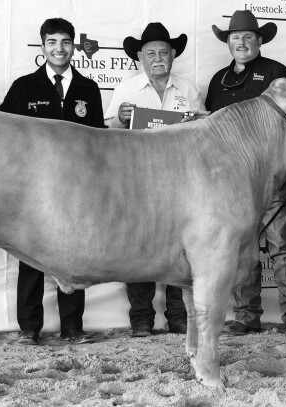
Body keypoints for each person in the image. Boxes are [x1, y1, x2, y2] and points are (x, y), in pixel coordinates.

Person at [0, 18, 105, 345]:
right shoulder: (23, 87)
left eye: (65, 42)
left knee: (73, 260)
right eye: (52, 42)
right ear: (42, 47)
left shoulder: (88, 88)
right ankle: (29, 329)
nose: (59, 49)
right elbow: (4, 131)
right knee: (31, 258)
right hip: (34, 191)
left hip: (77, 191)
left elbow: (99, 139)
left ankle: (73, 328)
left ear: (73, 46)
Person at [205, 9, 286, 337]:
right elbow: (209, 127)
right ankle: (247, 315)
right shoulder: (218, 80)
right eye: (235, 38)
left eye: (248, 37)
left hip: (271, 177)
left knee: (282, 243)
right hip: (232, 182)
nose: (241, 43)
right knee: (240, 247)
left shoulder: (278, 74)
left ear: (259, 40)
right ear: (228, 43)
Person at [105, 22, 205, 337]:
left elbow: (204, 129)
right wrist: (120, 120)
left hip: (181, 180)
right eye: (151, 53)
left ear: (173, 55)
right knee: (139, 246)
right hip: (138, 179)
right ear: (140, 57)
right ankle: (141, 318)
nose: (158, 58)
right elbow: (108, 131)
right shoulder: (126, 89)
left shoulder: (189, 89)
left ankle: (178, 316)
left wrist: (199, 120)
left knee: (181, 247)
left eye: (164, 52)